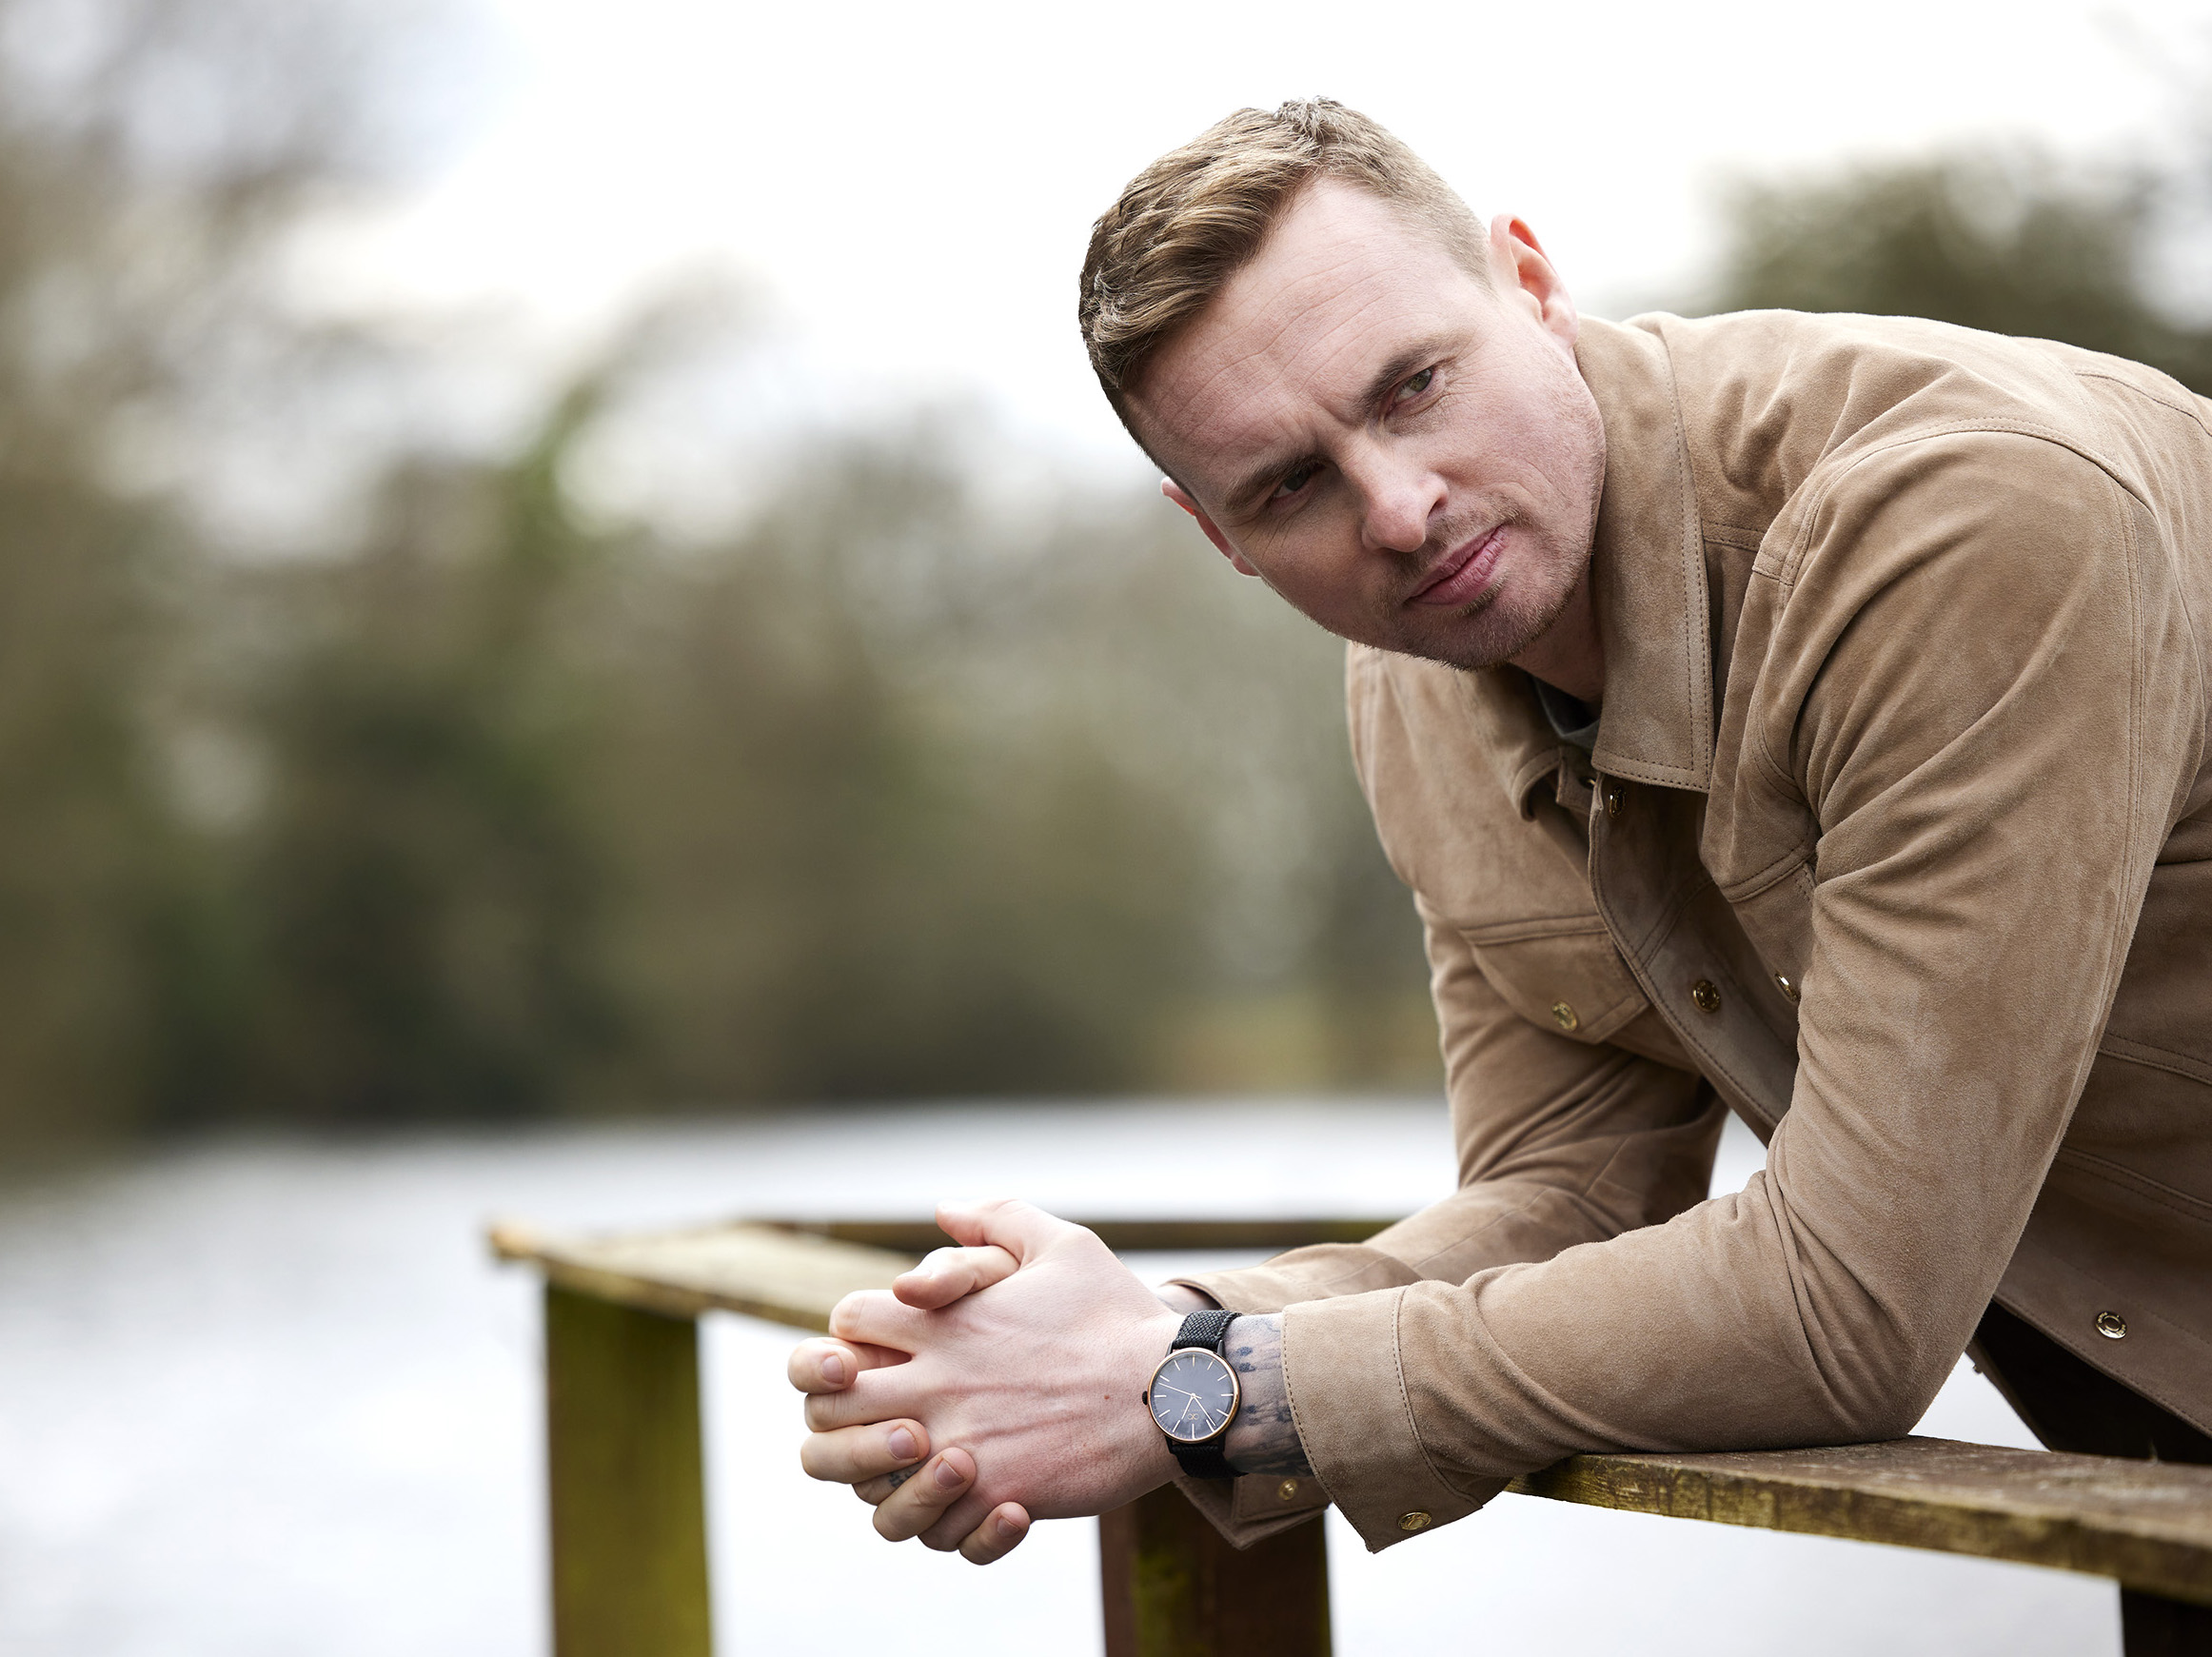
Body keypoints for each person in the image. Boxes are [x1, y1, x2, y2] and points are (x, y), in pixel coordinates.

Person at [786, 99, 2212, 1576]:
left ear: (1531, 282)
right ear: (1218, 536)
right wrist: (1156, 1340)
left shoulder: (1962, 530)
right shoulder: (1418, 681)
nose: (1398, 512)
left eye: (1413, 387)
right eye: (1289, 486)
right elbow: (1567, 1201)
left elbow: (1846, 1307)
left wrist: (1194, 1395)